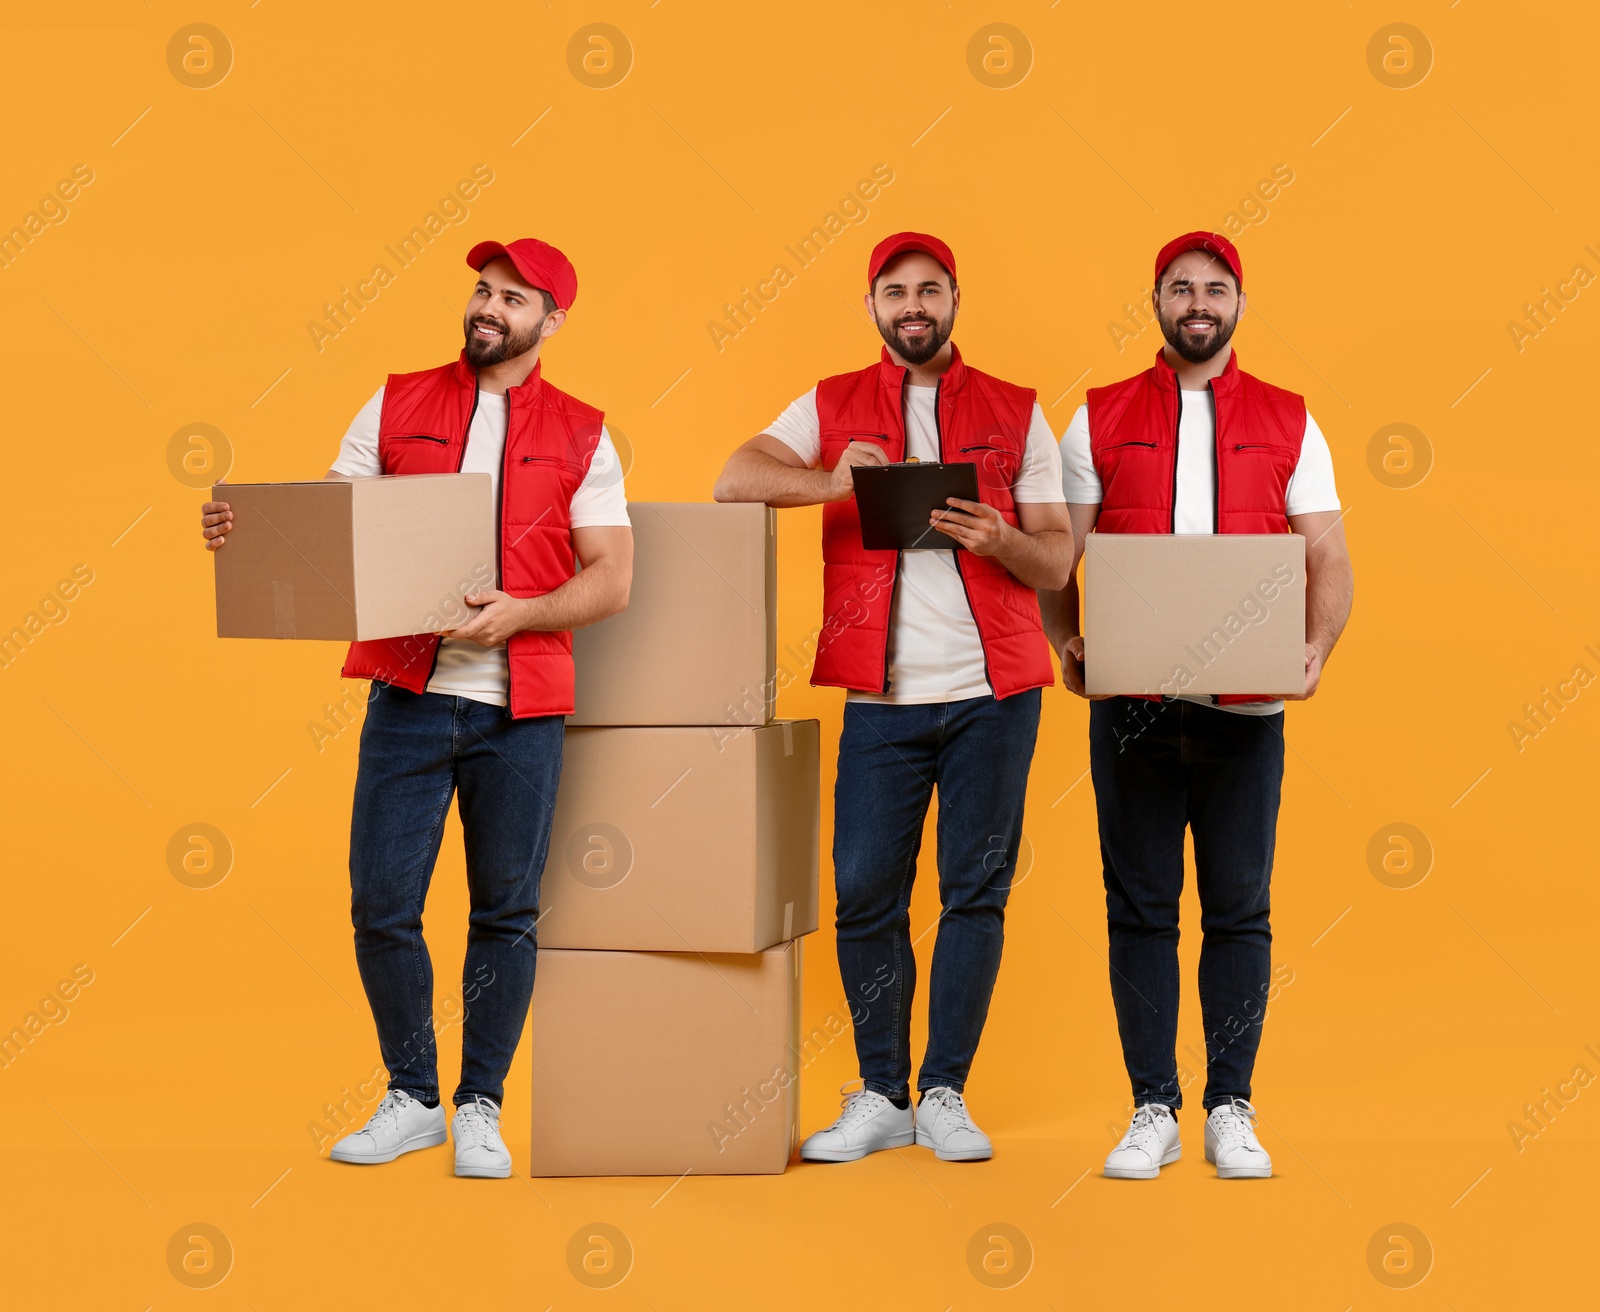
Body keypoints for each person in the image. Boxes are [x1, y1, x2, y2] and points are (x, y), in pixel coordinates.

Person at [200, 238, 633, 1178]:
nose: (489, 308)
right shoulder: (396, 400)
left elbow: (612, 580)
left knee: (506, 912)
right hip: (408, 695)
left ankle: (481, 1104)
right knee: (381, 904)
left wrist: (523, 614)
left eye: (513, 299)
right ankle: (414, 1096)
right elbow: (331, 516)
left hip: (522, 710)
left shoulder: (585, 431)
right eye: (483, 291)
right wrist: (248, 528)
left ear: (550, 321)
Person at [714, 231, 1072, 1162]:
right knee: (866, 892)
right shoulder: (829, 404)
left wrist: (1001, 541)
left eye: (932, 290)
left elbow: (1061, 555)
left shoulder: (1019, 411)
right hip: (880, 701)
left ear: (956, 299)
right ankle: (882, 1092)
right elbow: (733, 478)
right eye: (896, 291)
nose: (914, 306)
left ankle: (944, 1092)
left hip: (995, 695)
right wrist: (831, 478)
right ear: (873, 306)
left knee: (973, 892)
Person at [1040, 231, 1352, 1180]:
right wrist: (1066, 643)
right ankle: (1151, 1108)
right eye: (1181, 288)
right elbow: (1057, 553)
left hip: (1246, 709)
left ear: (1239, 305)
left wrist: (1316, 648)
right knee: (1139, 909)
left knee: (1240, 911)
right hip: (1132, 702)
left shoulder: (1293, 419)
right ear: (1158, 303)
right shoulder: (1095, 417)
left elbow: (1328, 554)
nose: (1198, 302)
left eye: (1216, 288)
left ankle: (1230, 1105)